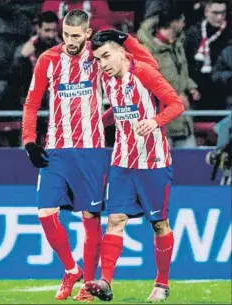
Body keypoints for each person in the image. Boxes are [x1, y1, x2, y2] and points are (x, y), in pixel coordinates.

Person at [22, 10, 158, 301]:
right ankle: (71, 269)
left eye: (76, 36)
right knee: (45, 213)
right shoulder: (48, 59)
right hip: (56, 149)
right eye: (66, 35)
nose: (70, 41)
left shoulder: (98, 58)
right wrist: (30, 141)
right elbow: (32, 103)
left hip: (92, 150)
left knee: (90, 217)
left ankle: (88, 282)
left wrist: (125, 39)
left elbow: (149, 65)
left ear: (86, 34)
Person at [85, 30, 185, 302]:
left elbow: (176, 105)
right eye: (98, 59)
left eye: (106, 55)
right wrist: (96, 122)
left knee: (159, 224)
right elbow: (118, 110)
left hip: (153, 162)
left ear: (121, 52)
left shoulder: (144, 72)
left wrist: (154, 122)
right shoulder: (107, 79)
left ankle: (162, 285)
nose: (103, 63)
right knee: (115, 220)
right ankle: (105, 281)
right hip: (122, 161)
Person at [138, 9, 201, 148]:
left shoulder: (177, 45)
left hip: (182, 118)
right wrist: (174, 97)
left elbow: (180, 72)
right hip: (162, 121)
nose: (184, 24)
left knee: (191, 161)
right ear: (173, 23)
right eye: (182, 20)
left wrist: (190, 86)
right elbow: (147, 83)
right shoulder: (147, 51)